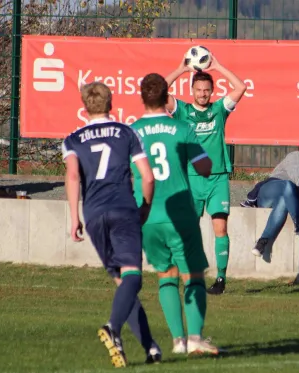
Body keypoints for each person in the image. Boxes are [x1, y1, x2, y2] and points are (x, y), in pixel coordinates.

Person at [62, 82, 161, 367]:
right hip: (123, 209)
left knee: (124, 283)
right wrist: (145, 206)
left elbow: (72, 176)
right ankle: (112, 328)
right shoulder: (126, 132)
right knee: (133, 278)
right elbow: (148, 177)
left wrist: (74, 218)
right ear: (111, 104)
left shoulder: (72, 139)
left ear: (84, 109)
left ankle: (150, 347)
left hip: (93, 215)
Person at [131, 73, 220, 355]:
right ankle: (194, 337)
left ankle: (178, 341)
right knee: (193, 275)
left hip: (146, 215)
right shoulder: (182, 129)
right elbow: (205, 167)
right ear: (167, 97)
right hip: (180, 214)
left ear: (142, 97)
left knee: (165, 274)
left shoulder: (131, 131)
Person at [165, 54, 247, 295]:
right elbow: (158, 93)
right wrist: (180, 68)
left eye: (206, 90)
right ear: (192, 90)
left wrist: (219, 66)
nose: (202, 93)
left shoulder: (220, 110)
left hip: (217, 177)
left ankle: (220, 279)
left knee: (220, 228)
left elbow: (241, 87)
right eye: (198, 89)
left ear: (212, 91)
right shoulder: (182, 110)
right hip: (190, 178)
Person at [244, 139, 299, 257]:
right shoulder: (295, 156)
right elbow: (297, 176)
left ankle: (262, 242)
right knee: (288, 185)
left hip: (282, 198)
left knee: (284, 201)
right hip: (269, 191)